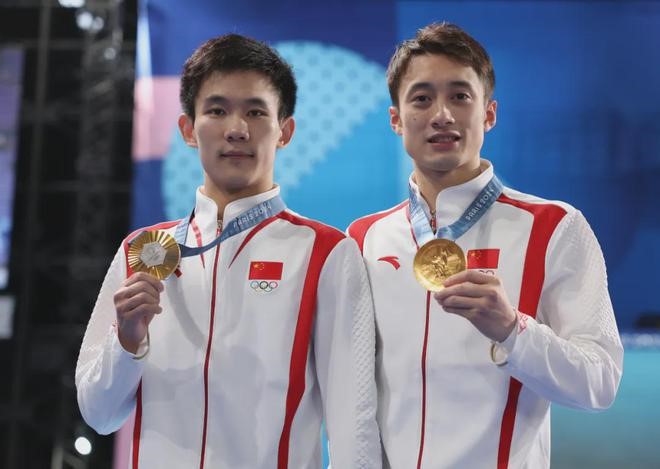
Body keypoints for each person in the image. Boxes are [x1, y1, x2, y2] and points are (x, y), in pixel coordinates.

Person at [76, 34, 381, 469]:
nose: (237, 129)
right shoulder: (141, 251)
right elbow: (99, 414)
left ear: (285, 131)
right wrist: (126, 340)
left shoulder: (326, 252)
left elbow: (354, 422)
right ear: (188, 129)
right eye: (217, 110)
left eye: (256, 112)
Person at [348, 22, 623, 468]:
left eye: (460, 96)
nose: (442, 115)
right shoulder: (364, 238)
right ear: (396, 119)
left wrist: (513, 330)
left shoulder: (554, 227)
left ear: (489, 114)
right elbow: (353, 396)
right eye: (422, 98)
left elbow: (600, 382)